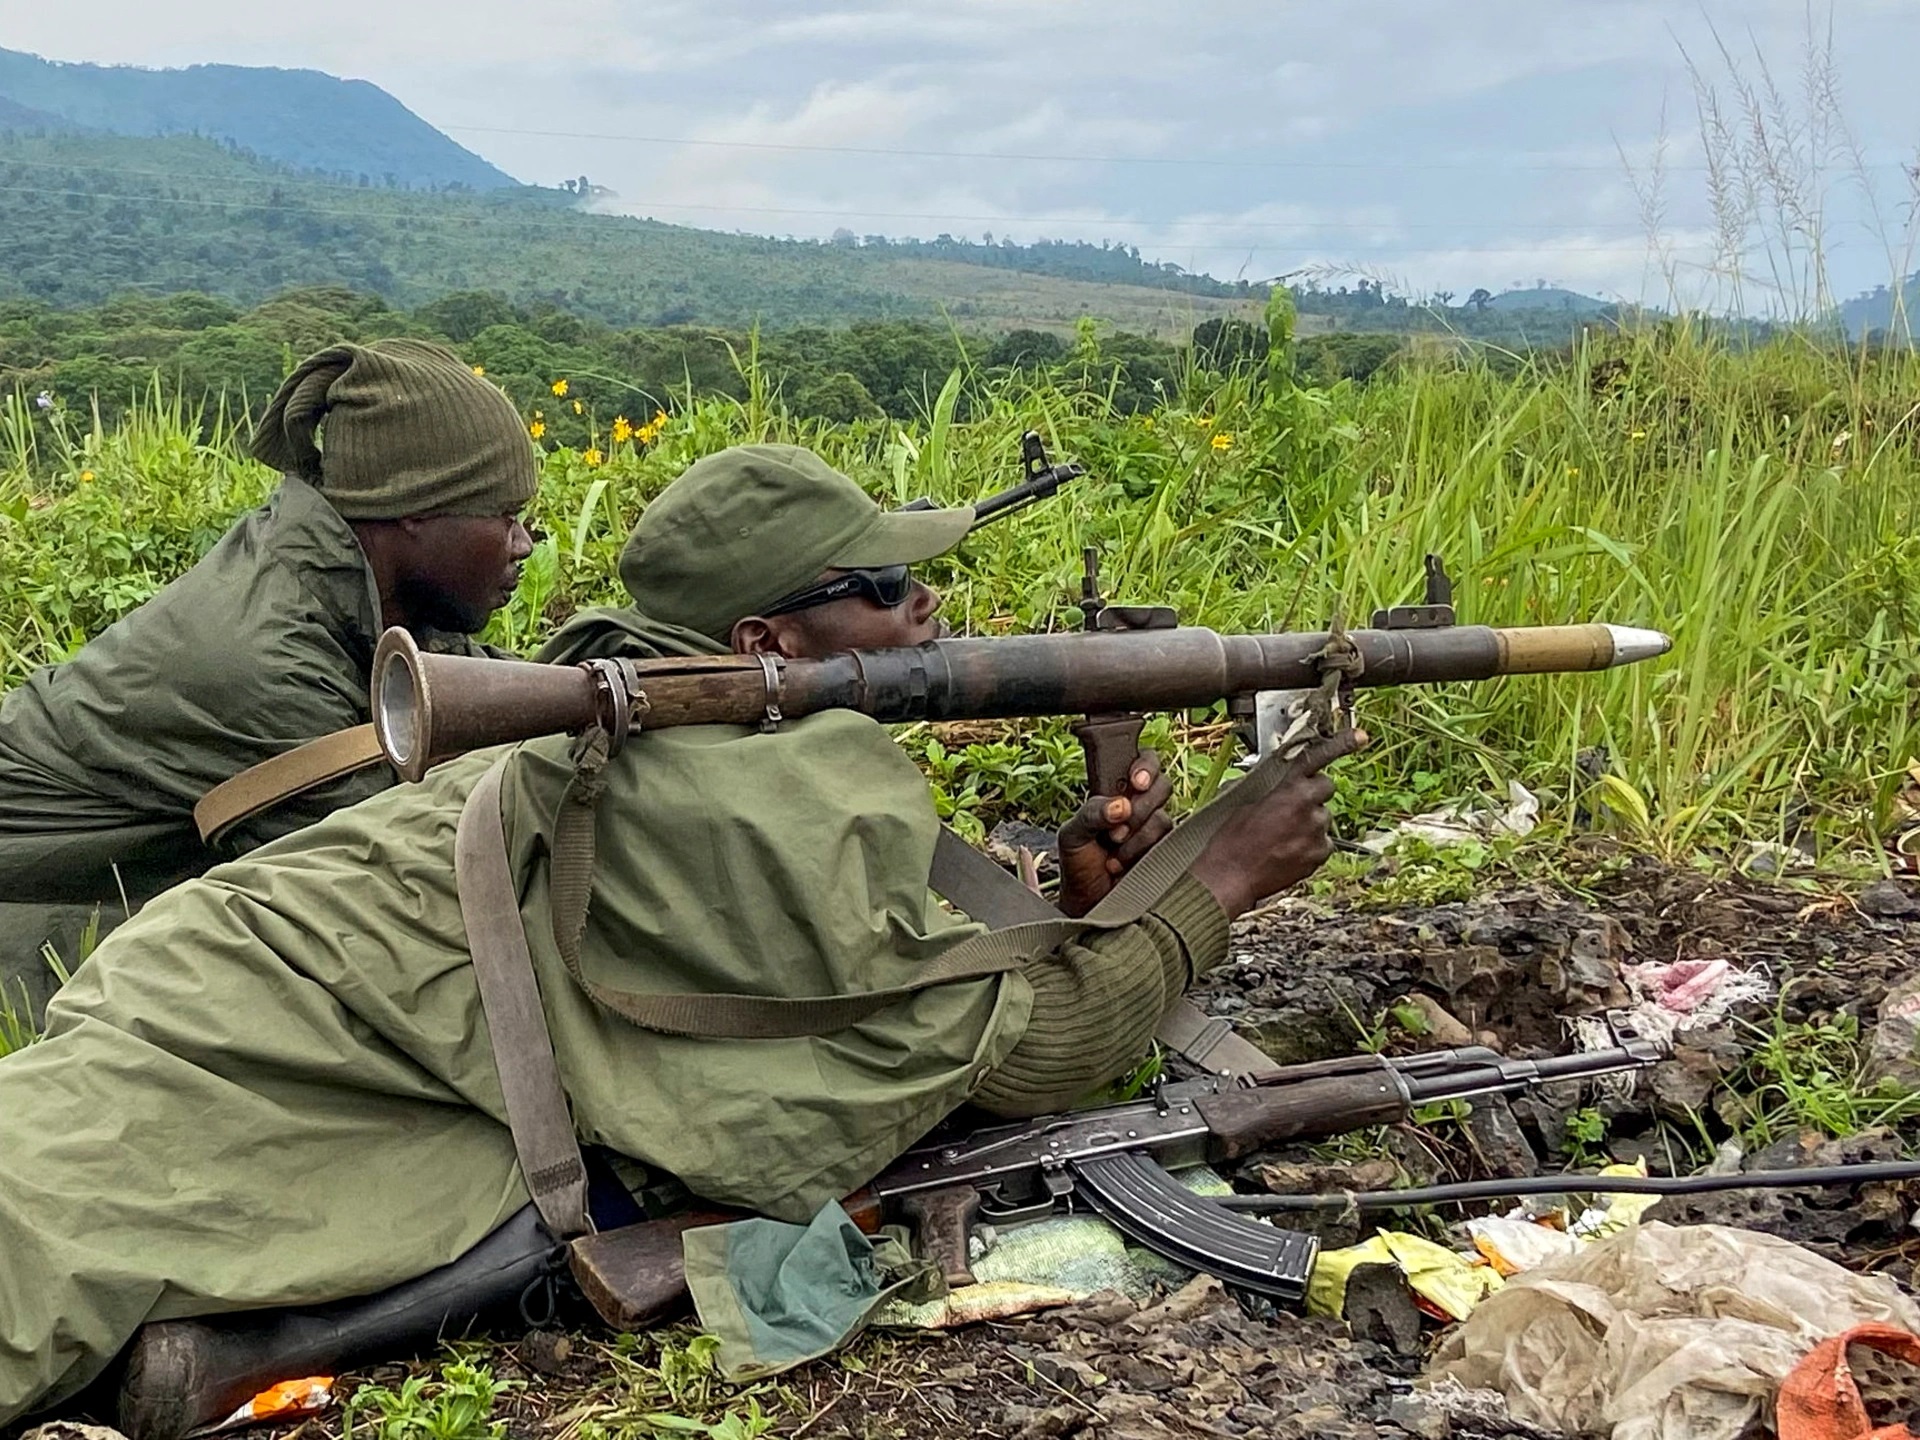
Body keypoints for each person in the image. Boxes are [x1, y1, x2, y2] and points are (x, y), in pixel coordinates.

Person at [0, 445, 1358, 1438]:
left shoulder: (661, 706)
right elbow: (1027, 1046)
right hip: (245, 1044)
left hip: (252, 998)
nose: (927, 610)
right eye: (885, 585)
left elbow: (852, 957)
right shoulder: (746, 789)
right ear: (765, 638)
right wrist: (1220, 877)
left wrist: (1066, 905)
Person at [0, 339, 538, 996]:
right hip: (35, 917)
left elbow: (487, 688)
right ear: (416, 508)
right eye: (506, 516)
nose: (524, 545)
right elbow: (402, 882)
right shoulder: (262, 660)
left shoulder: (355, 584)